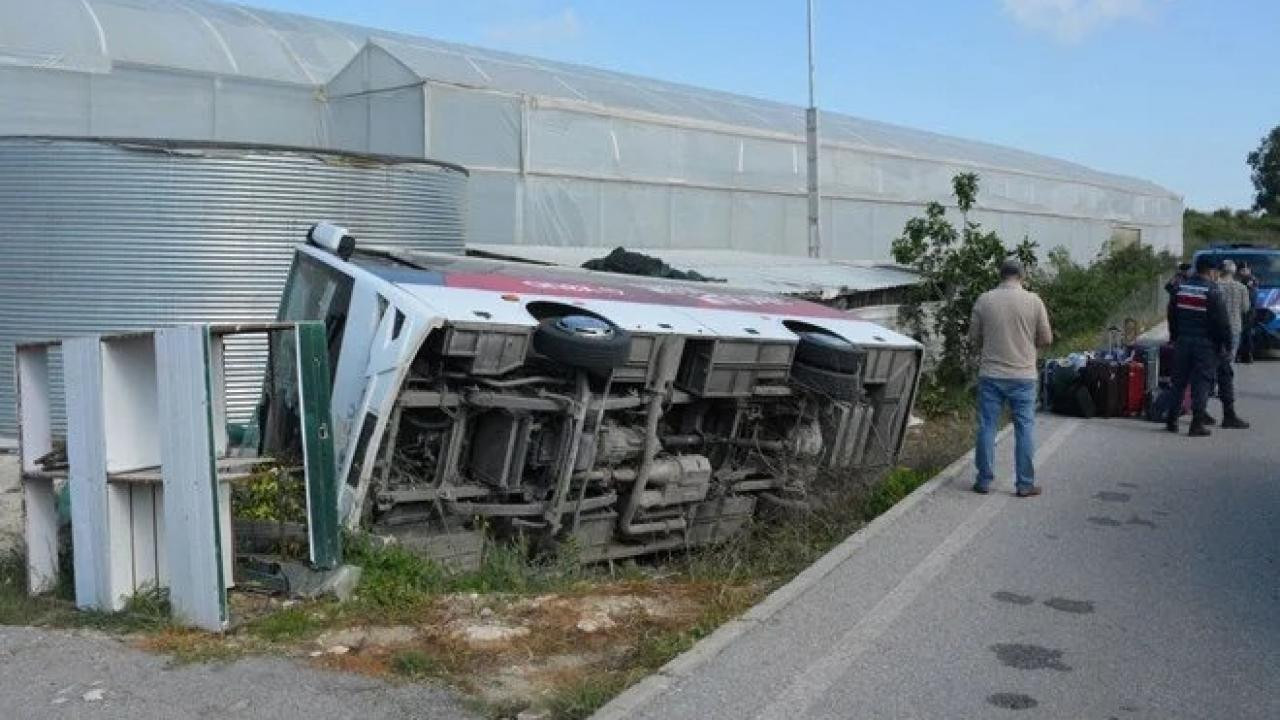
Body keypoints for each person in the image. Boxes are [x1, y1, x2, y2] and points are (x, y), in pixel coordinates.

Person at [969, 258, 1053, 497]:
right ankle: (1025, 484)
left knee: (987, 426)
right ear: (1022, 276)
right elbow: (1046, 339)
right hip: (1023, 375)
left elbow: (973, 338)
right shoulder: (1034, 301)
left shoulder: (984, 300)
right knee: (1024, 428)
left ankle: (984, 480)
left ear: (1000, 275)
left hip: (991, 374)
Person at [1166, 255, 1245, 435]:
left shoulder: (1180, 289)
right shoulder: (1212, 291)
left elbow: (1171, 315)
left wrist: (1175, 336)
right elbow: (1221, 322)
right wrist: (1226, 343)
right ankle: (1197, 423)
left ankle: (1171, 420)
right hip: (1205, 344)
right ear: (1211, 271)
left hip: (1183, 341)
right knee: (1202, 382)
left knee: (1178, 382)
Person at [1237, 263, 1259, 363]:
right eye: (1242, 270)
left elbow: (1251, 296)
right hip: (1242, 310)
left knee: (1247, 333)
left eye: (1245, 270)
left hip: (1248, 310)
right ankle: (1242, 354)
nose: (1244, 272)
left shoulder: (1251, 280)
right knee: (1243, 333)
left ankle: (1247, 354)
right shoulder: (1240, 280)